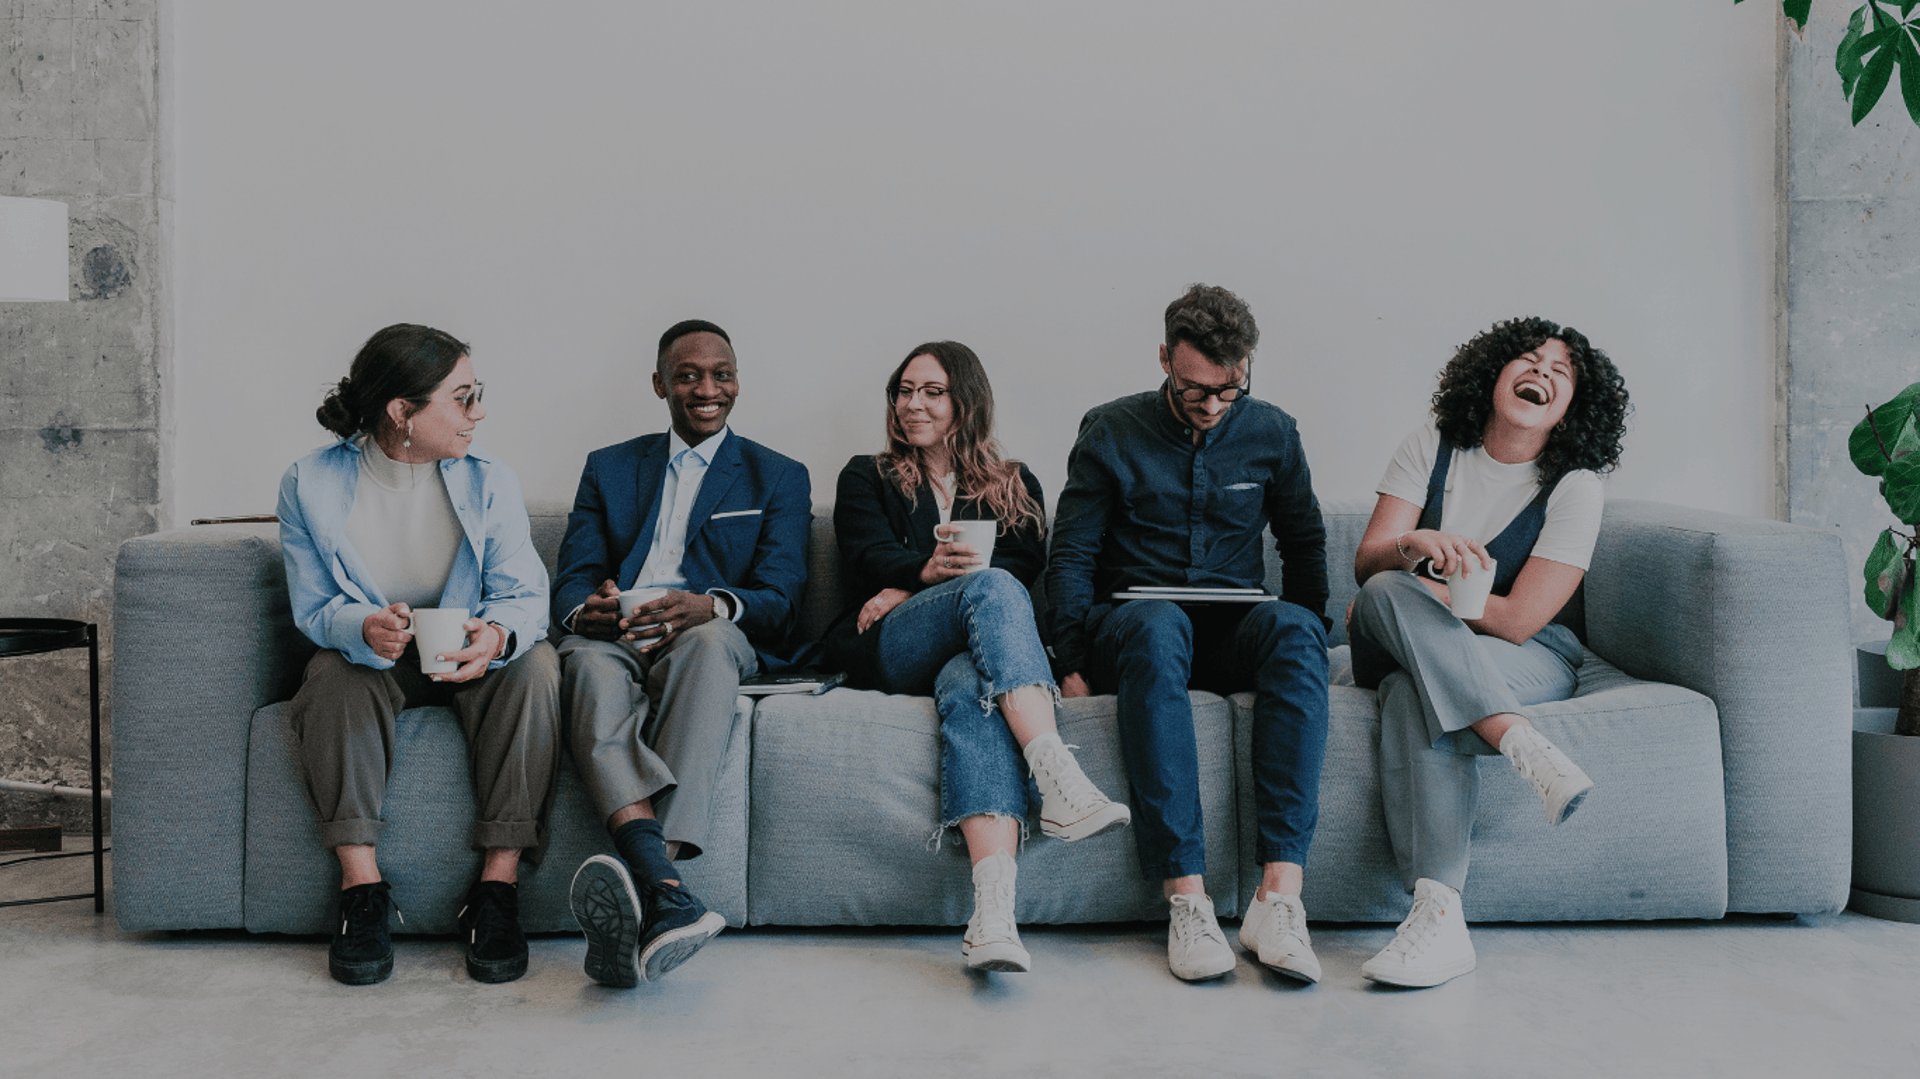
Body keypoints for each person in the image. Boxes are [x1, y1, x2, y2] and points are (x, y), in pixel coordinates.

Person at [1047, 284, 1331, 984]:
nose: (1210, 405)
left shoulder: (1273, 431)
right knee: (1155, 619)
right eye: (1193, 388)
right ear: (1165, 360)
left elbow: (1304, 541)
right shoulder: (1110, 429)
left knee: (1296, 631)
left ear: (1247, 365)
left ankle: (1279, 898)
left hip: (1234, 625)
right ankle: (1187, 899)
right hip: (1137, 629)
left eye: (1227, 389)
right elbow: (1073, 552)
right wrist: (1070, 656)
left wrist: (1315, 630)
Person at [824, 341, 1131, 973]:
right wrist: (919, 575)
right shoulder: (867, 474)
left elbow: (1025, 567)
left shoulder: (1014, 483)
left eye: (932, 391)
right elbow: (864, 553)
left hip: (971, 653)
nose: (914, 404)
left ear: (966, 401)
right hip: (894, 647)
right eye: (904, 391)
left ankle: (993, 915)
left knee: (971, 684)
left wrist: (918, 584)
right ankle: (1054, 773)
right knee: (990, 587)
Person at [1347, 316, 1630, 989]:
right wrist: (1415, 547)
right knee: (1385, 588)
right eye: (1530, 360)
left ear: (1573, 407)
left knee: (1416, 690)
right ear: (1495, 371)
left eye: (1561, 373)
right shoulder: (1431, 446)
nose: (1542, 373)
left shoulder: (1575, 486)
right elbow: (1367, 563)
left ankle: (1438, 917)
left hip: (1522, 653)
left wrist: (1437, 598)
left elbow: (1521, 618)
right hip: (1394, 635)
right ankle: (1521, 743)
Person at [278, 323, 560, 987]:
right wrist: (363, 626)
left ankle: (495, 888)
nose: (479, 412)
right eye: (463, 398)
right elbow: (315, 608)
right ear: (402, 412)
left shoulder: (490, 479)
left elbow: (525, 596)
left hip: (467, 652)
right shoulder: (309, 484)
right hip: (376, 659)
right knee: (331, 674)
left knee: (537, 664)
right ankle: (361, 890)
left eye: (477, 394)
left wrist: (495, 636)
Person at [553, 319, 811, 986]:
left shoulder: (778, 475)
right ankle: (666, 895)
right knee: (580, 658)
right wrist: (591, 610)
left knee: (708, 642)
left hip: (708, 634)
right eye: (689, 374)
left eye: (720, 373)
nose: (706, 387)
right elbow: (571, 580)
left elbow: (782, 597)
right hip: (620, 638)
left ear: (736, 380)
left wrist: (712, 603)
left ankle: (647, 874)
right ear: (660, 384)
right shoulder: (609, 466)